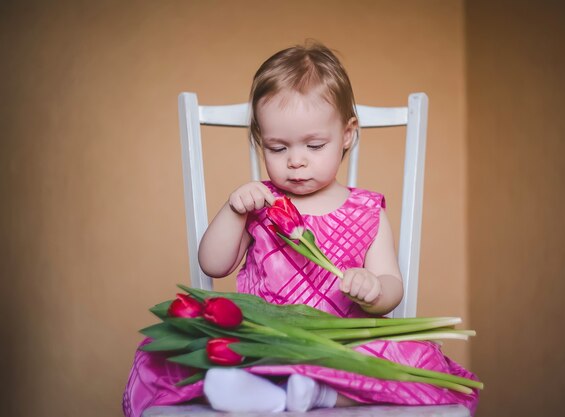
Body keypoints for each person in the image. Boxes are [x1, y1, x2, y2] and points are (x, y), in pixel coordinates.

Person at [123, 42, 479, 417]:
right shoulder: (260, 203)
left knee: (403, 364)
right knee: (209, 350)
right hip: (271, 340)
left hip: (343, 347)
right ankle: (264, 390)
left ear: (347, 134)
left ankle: (315, 394)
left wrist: (374, 290)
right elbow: (213, 264)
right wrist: (233, 210)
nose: (295, 161)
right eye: (277, 148)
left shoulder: (366, 210)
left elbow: (392, 283)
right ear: (261, 141)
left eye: (313, 144)